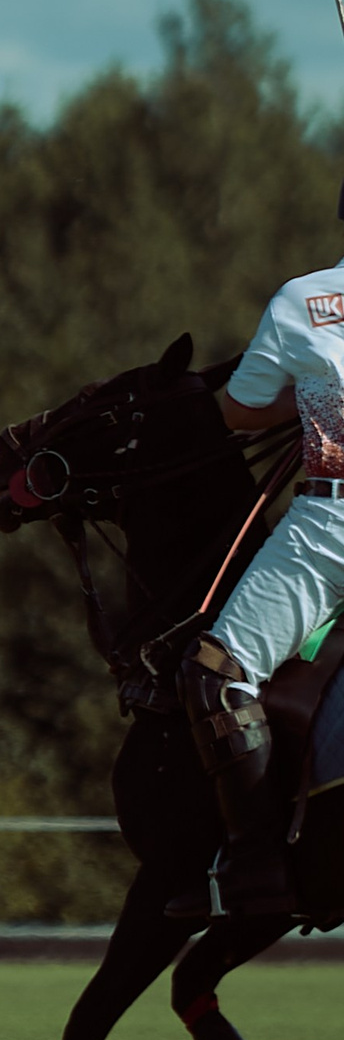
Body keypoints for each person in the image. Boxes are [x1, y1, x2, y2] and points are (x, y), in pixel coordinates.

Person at [173, 257, 344, 916]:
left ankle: (258, 867)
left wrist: (313, 397)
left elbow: (240, 412)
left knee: (217, 670)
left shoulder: (305, 299)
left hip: (332, 524)